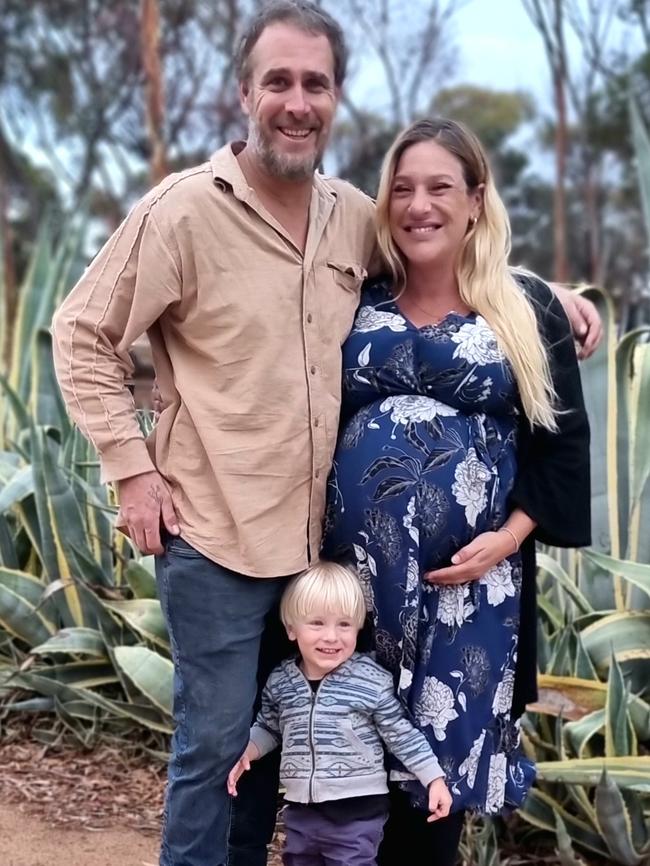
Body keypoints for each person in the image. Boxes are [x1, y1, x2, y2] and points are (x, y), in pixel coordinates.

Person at [50, 3, 600, 865]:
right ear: (245, 93)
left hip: (328, 557)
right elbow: (80, 332)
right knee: (220, 751)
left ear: (336, 97)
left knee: (307, 747)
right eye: (279, 82)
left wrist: (548, 292)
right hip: (219, 534)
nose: (296, 102)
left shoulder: (352, 216)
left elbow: (447, 258)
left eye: (315, 83)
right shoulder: (182, 213)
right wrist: (131, 473)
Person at [322, 117, 592, 866]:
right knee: (346, 792)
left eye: (440, 187)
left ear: (476, 199)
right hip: (356, 593)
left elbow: (563, 448)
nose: (419, 205)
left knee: (434, 795)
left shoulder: (525, 310)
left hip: (470, 597)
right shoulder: (354, 295)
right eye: (402, 189)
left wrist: (503, 542)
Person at [227, 561, 452, 866]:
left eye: (344, 624)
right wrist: (248, 752)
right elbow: (269, 727)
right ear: (292, 629)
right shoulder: (281, 681)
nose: (331, 637)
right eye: (317, 623)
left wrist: (434, 779)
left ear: (359, 628)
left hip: (357, 813)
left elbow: (401, 734)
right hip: (301, 811)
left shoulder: (370, 680)